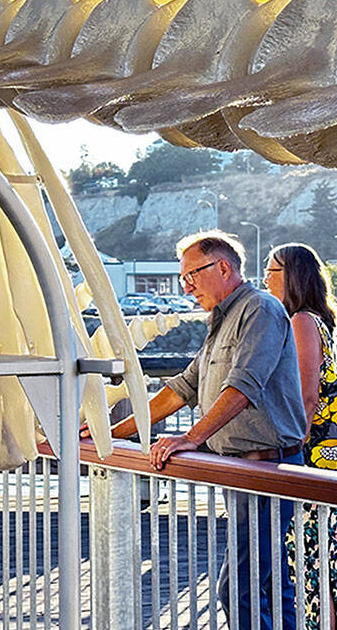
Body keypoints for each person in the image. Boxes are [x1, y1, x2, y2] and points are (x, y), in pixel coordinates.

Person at [104, 230, 306, 630]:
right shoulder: (223, 319)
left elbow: (244, 387)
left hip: (269, 471)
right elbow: (181, 390)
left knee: (240, 587)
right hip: (241, 473)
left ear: (223, 267)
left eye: (192, 274)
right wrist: (112, 432)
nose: (186, 285)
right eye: (184, 277)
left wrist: (191, 437)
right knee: (267, 584)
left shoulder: (260, 309)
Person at [265, 243, 337, 630]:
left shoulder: (301, 321)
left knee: (311, 556)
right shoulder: (316, 320)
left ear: (293, 277)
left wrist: (292, 449)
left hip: (311, 455)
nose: (265, 280)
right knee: (324, 556)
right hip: (325, 455)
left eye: (272, 271)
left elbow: (307, 394)